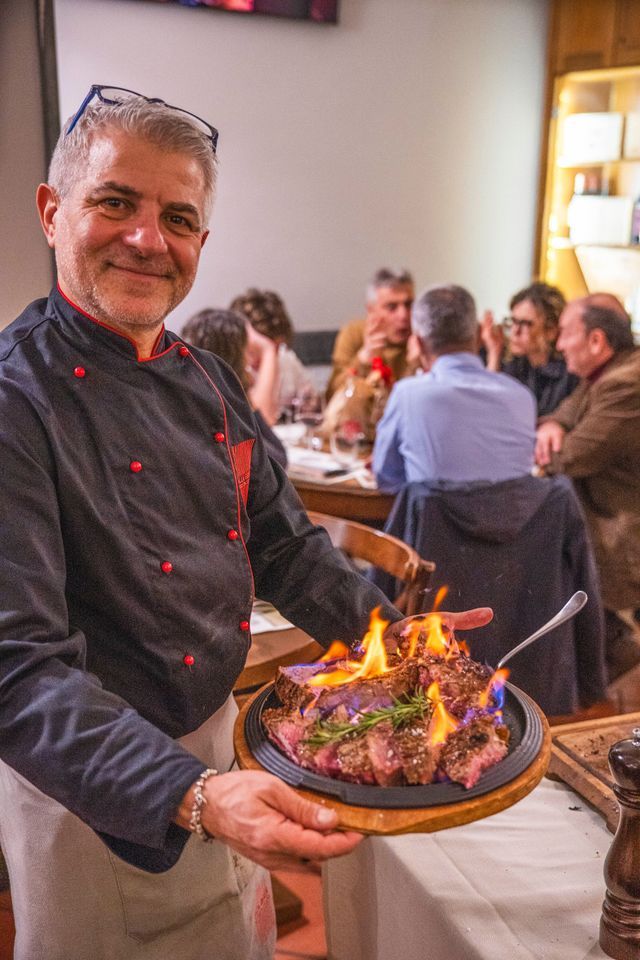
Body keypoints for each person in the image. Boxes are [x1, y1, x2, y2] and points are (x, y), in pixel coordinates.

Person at [0, 86, 491, 960]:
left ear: (200, 243)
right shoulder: (14, 401)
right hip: (97, 786)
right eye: (116, 202)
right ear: (51, 212)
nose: (149, 239)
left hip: (225, 747)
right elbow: (18, 672)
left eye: (178, 218)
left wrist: (394, 635)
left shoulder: (206, 382)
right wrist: (190, 793)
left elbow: (289, 551)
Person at [535, 294, 640, 681]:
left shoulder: (627, 384)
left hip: (620, 531)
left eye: (564, 333)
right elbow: (568, 409)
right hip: (594, 513)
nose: (558, 344)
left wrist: (550, 445)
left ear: (596, 341)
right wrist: (553, 426)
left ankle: (594, 668)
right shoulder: (610, 371)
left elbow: (573, 457)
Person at [372, 284, 536, 493]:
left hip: (434, 524)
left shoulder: (408, 396)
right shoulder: (522, 398)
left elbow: (386, 478)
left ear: (419, 344)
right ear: (478, 336)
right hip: (513, 525)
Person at [181, 308, 288, 468]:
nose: (249, 361)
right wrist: (267, 350)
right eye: (247, 351)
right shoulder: (220, 412)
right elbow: (277, 460)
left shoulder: (188, 397)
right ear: (235, 357)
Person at [480, 281, 579, 415]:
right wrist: (494, 353)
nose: (515, 331)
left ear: (551, 331)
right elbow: (485, 408)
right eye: (513, 321)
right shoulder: (514, 363)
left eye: (525, 324)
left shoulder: (570, 371)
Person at [326, 267, 419, 398]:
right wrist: (363, 359)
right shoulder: (354, 333)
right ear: (371, 310)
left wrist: (416, 365)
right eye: (392, 307)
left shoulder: (423, 336)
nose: (403, 315)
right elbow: (332, 396)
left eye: (409, 305)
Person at [229, 287, 314, 414]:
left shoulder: (286, 359)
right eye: (258, 349)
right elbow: (260, 418)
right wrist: (267, 351)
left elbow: (312, 401)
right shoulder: (228, 369)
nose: (272, 357)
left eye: (277, 348)